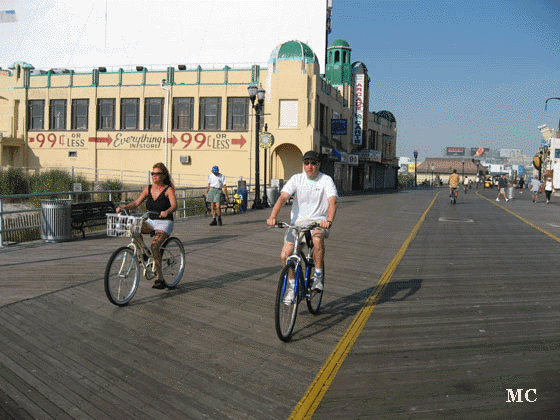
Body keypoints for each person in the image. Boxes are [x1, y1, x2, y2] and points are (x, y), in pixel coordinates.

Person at [266, 150, 338, 301]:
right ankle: (292, 286)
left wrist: (328, 220)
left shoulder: (326, 180)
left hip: (318, 222)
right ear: (303, 165)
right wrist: (273, 216)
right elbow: (282, 198)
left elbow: (333, 202)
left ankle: (318, 276)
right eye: (307, 163)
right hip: (298, 224)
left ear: (318, 164)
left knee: (317, 239)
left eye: (313, 163)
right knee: (285, 255)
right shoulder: (296, 179)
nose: (310, 166)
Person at [116, 162, 177, 289]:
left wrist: (167, 211)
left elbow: (174, 205)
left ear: (163, 175)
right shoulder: (148, 189)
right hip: (151, 221)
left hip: (165, 222)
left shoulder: (168, 189)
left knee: (155, 246)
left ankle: (160, 278)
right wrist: (124, 208)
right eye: (153, 174)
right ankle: (143, 251)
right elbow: (136, 203)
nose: (154, 176)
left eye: (157, 174)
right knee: (133, 228)